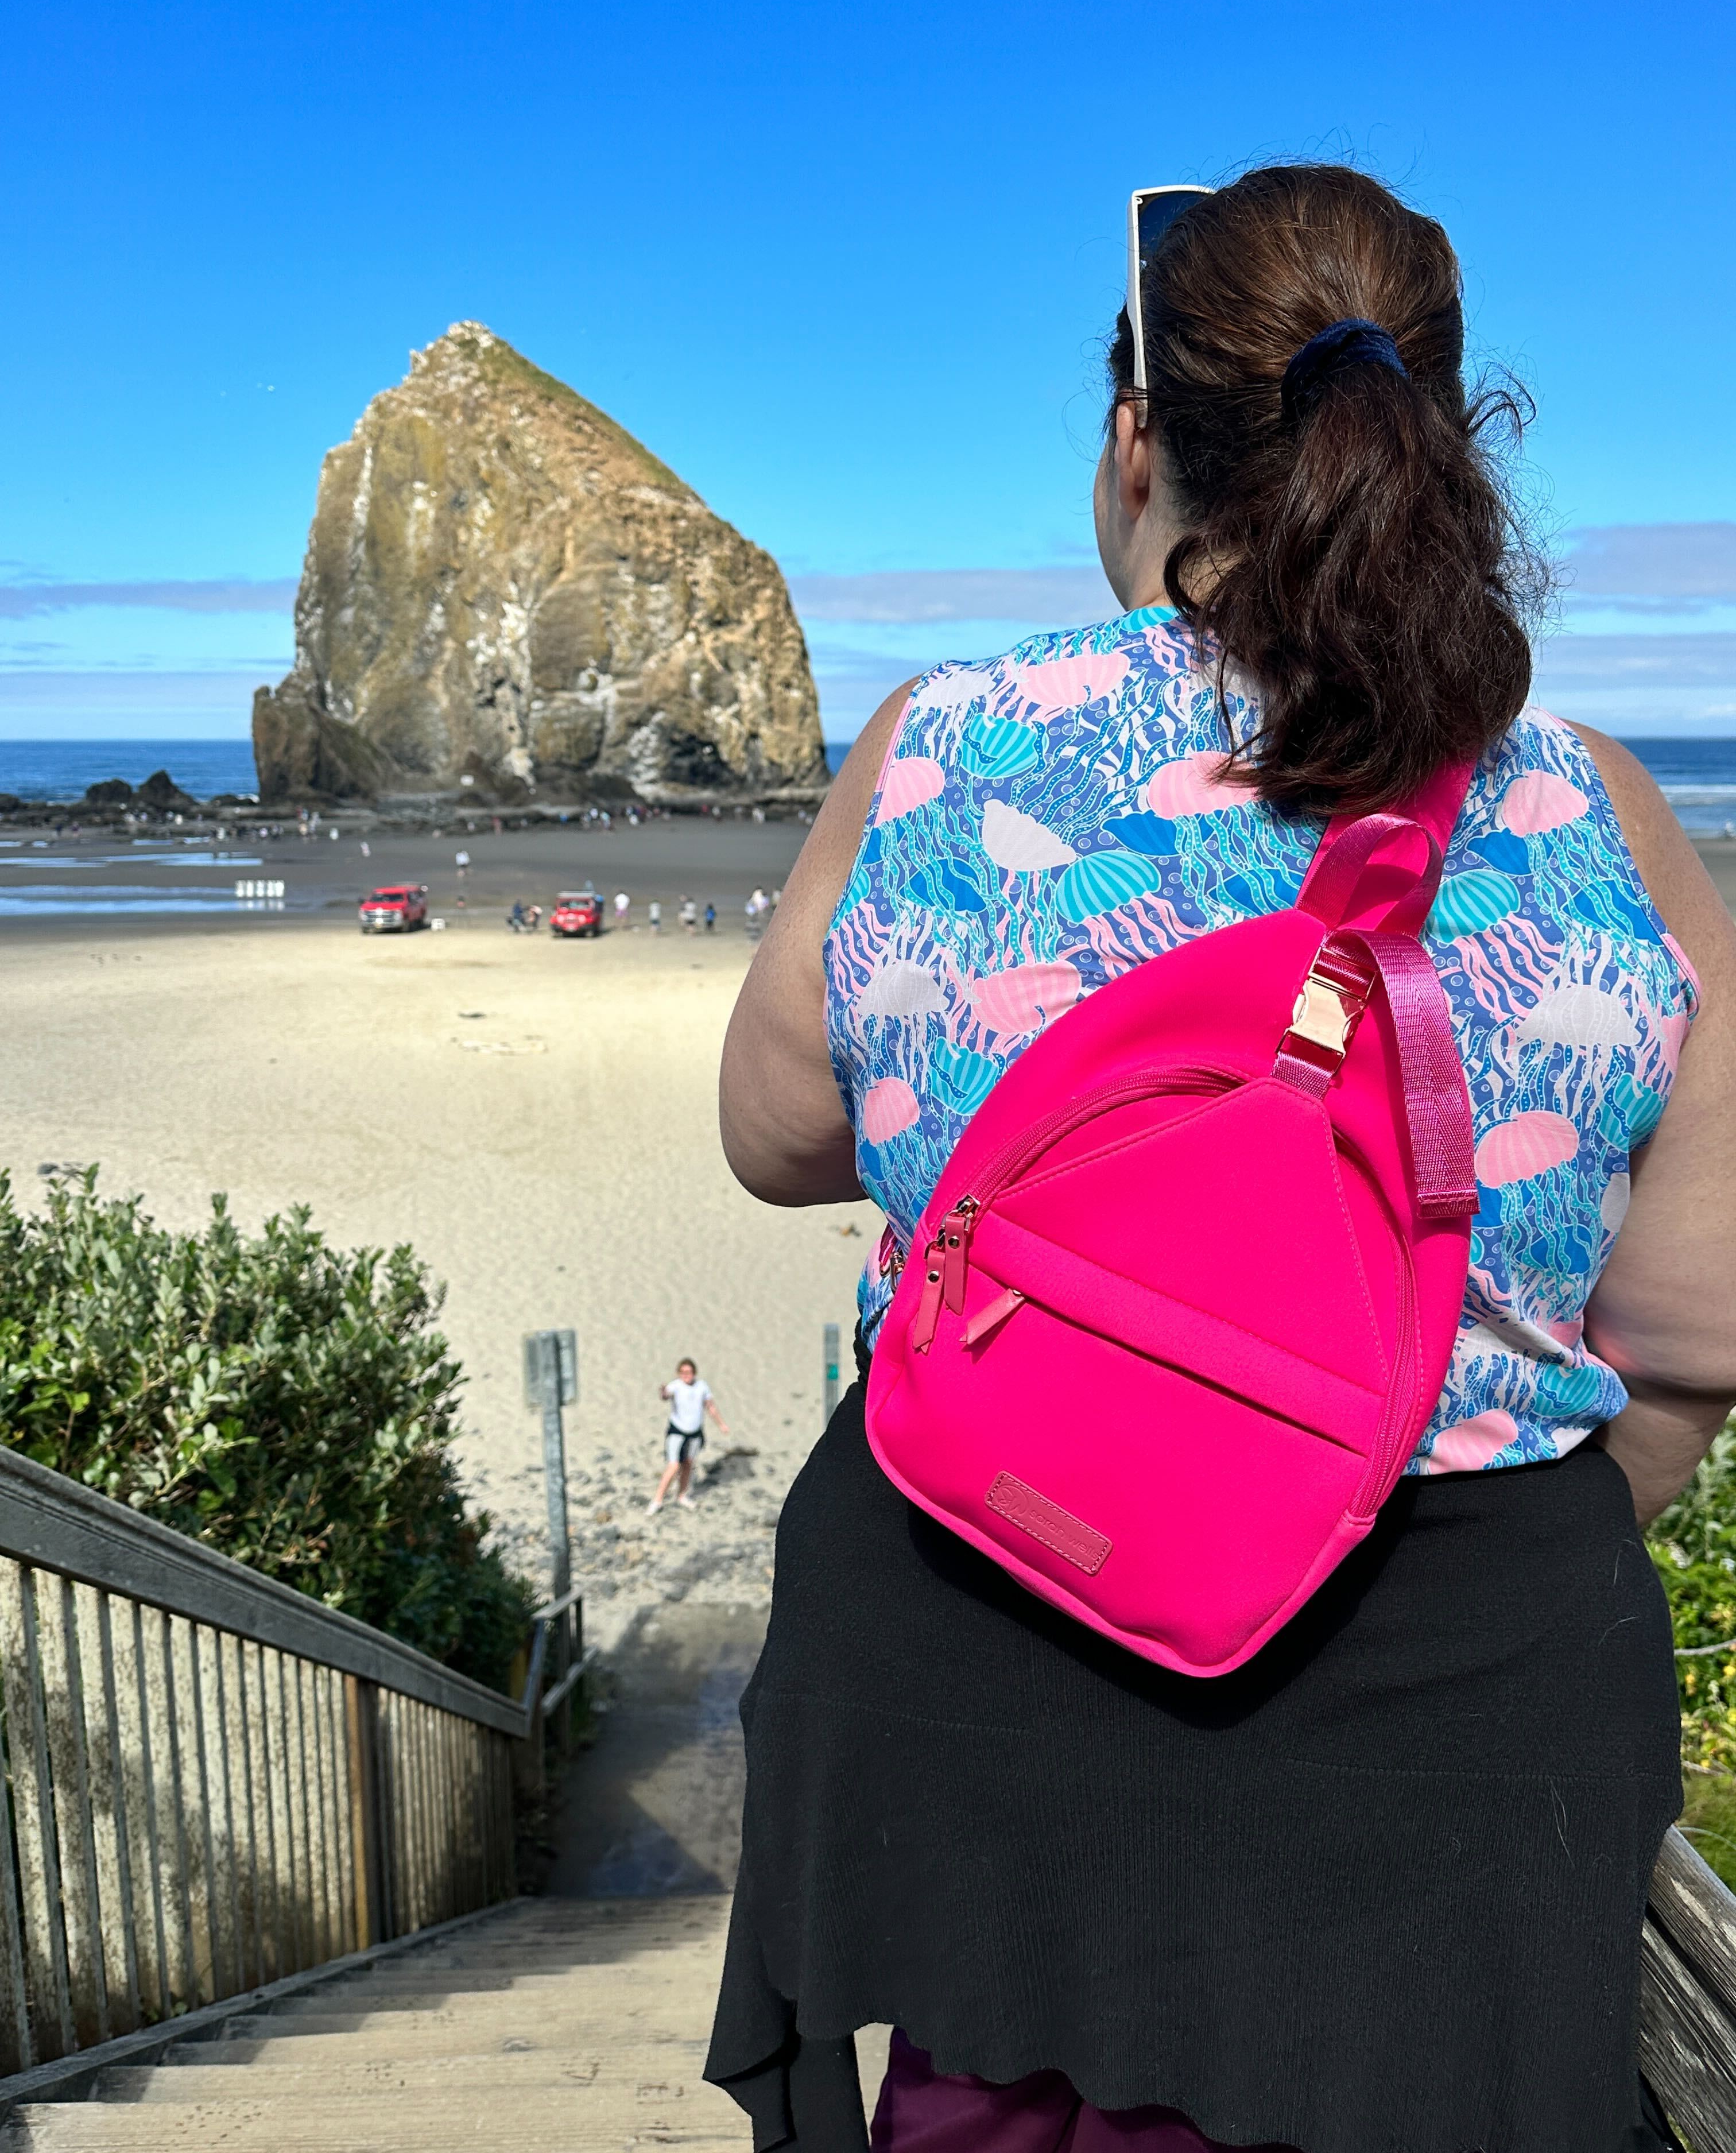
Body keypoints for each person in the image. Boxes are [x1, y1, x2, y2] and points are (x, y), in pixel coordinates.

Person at [707, 165, 1736, 2153]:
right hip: (1467, 1769)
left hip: (998, 1700)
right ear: (1430, 431)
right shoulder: (1592, 799)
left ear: (1133, 442)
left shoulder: (945, 741)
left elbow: (774, 1135)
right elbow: (1694, 1331)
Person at [649, 1358, 730, 1511]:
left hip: (695, 1433)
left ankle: (682, 1495)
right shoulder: (676, 1386)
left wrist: (721, 1425)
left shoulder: (702, 1387)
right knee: (673, 1466)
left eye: (689, 1372)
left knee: (688, 1464)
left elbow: (710, 1407)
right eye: (683, 1372)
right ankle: (657, 1500)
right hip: (677, 1431)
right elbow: (666, 1396)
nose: (687, 1375)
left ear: (694, 1373)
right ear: (679, 1374)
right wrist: (663, 1392)